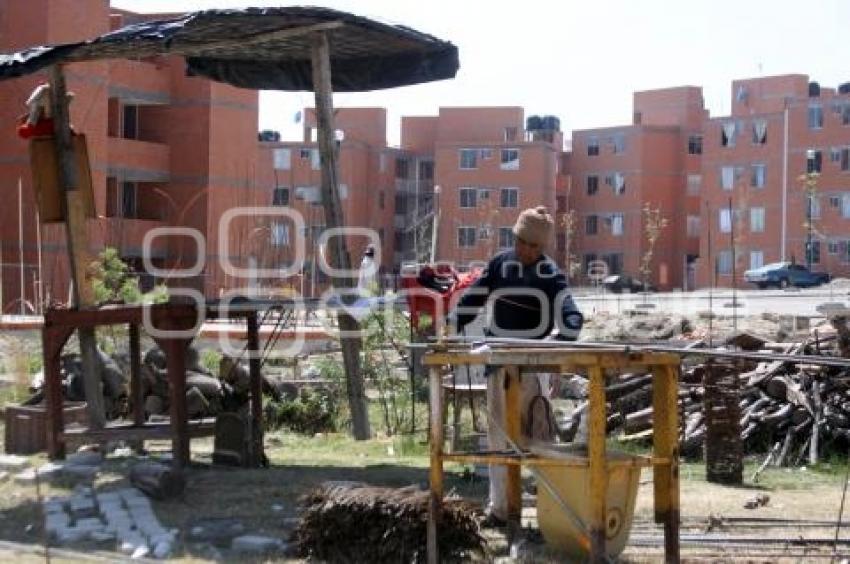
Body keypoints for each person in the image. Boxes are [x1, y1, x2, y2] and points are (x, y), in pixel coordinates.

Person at [450, 205, 584, 524]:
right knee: (499, 439)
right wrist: (454, 320)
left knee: (539, 438)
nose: (525, 249)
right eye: (521, 241)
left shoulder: (549, 274)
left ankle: (552, 512)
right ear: (515, 237)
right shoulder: (500, 264)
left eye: (533, 245)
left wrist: (562, 337)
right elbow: (473, 298)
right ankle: (499, 510)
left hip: (532, 365)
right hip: (499, 364)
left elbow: (571, 316)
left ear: (543, 247)